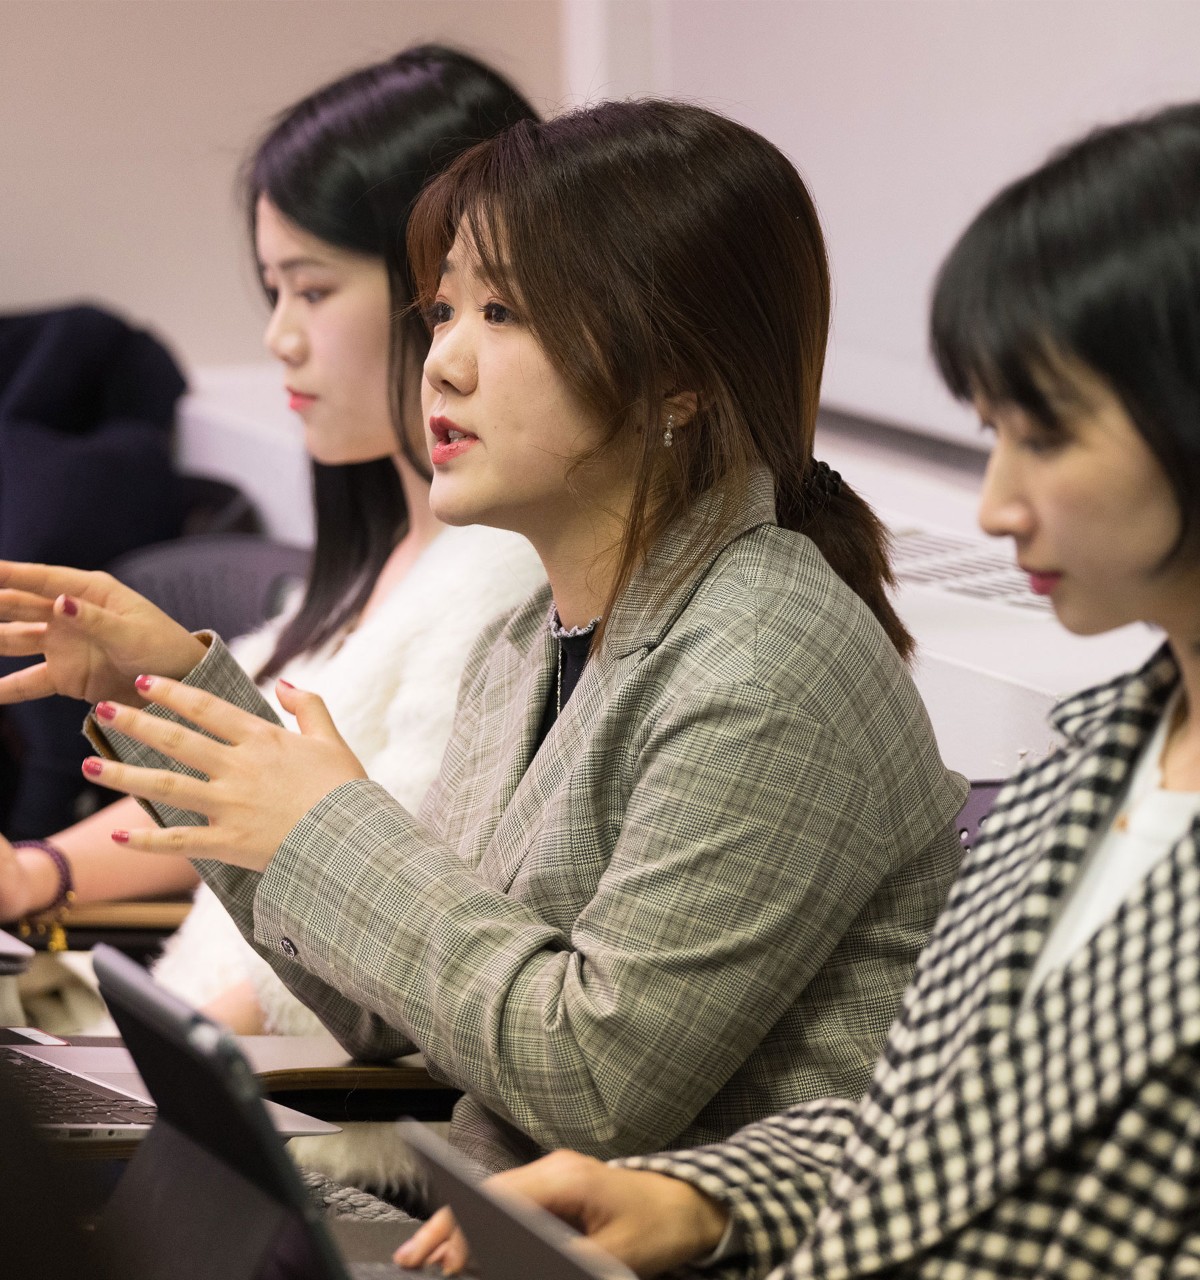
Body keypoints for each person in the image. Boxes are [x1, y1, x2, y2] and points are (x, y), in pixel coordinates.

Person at [0, 99, 965, 1177]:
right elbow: (395, 1006)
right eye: (445, 309)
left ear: (680, 379)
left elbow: (596, 1083)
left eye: (504, 312)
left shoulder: (764, 659)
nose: (442, 363)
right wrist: (170, 684)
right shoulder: (530, 632)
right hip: (490, 1217)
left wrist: (325, 824)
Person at [398, 101, 1200, 1277]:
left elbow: (588, 1069)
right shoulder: (1098, 756)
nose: (994, 504)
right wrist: (701, 1194)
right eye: (991, 431)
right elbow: (944, 1127)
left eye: (1049, 433)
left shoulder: (763, 649)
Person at [0, 47, 545, 1051]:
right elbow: (229, 809)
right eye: (272, 293)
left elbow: (375, 917)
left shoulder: (508, 585)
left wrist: (143, 1070)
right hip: (205, 1040)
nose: (279, 339)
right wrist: (40, 875)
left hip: (285, 1080)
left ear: (441, 288)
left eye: (312, 289)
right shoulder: (386, 555)